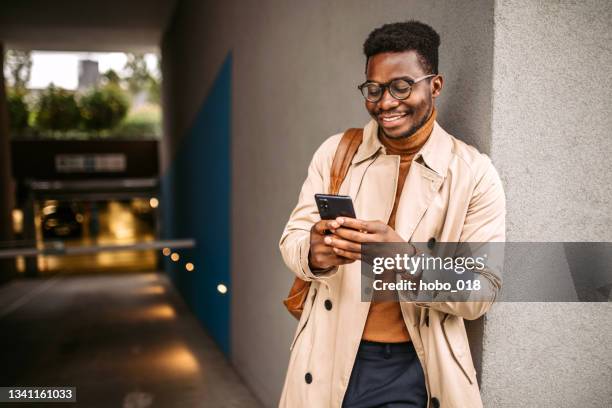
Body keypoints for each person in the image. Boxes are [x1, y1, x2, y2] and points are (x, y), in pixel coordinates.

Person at [279, 21, 505, 408]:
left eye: (401, 86)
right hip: (327, 355)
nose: (384, 103)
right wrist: (314, 253)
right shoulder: (336, 152)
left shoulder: (472, 172)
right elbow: (293, 239)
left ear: (434, 85)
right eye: (374, 89)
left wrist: (405, 259)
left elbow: (481, 292)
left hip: (413, 369)